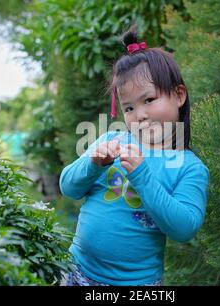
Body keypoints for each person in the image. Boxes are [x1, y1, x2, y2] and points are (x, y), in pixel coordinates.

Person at [59, 26, 210, 286]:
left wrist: (142, 175)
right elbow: (68, 187)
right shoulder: (111, 142)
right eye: (129, 107)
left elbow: (184, 228)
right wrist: (92, 165)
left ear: (179, 95)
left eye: (149, 100)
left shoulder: (189, 167)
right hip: (77, 271)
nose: (139, 114)